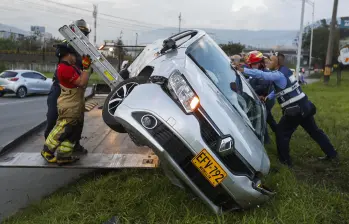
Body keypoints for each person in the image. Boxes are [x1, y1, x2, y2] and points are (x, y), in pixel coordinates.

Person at [237, 53, 338, 167]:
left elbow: (262, 75)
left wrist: (243, 70)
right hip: (305, 105)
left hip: (295, 110)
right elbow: (282, 90)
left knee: (281, 133)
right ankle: (332, 154)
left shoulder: (278, 74)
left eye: (270, 61)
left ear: (276, 63)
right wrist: (267, 98)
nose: (267, 63)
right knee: (315, 132)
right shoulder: (286, 71)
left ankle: (285, 163)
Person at [44, 19, 91, 154]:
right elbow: (59, 52)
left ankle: (73, 146)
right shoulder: (67, 45)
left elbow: (87, 70)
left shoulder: (86, 50)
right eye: (79, 32)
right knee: (53, 117)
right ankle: (49, 146)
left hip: (76, 89)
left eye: (84, 33)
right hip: (60, 86)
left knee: (76, 120)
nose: (82, 35)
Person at [243, 51, 277, 144]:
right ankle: (278, 132)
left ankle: (265, 142)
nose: (252, 66)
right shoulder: (256, 72)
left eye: (254, 64)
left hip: (266, 101)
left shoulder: (264, 74)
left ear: (261, 63)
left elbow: (261, 88)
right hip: (261, 100)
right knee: (269, 118)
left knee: (262, 120)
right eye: (251, 64)